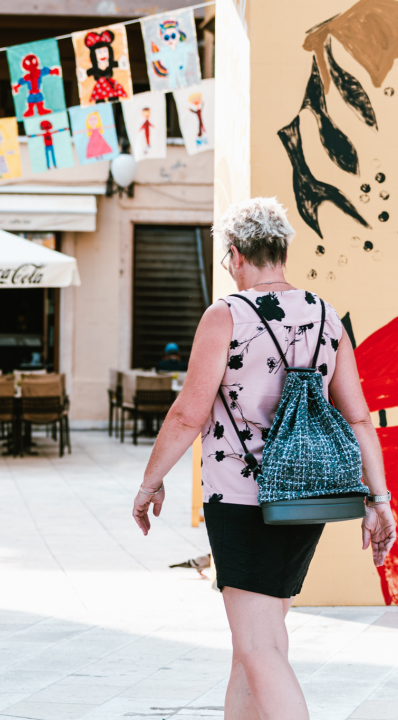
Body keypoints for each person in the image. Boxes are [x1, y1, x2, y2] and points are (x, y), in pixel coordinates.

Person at [132, 198, 395, 719]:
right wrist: (380, 499)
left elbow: (187, 414)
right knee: (256, 642)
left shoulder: (226, 314)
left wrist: (149, 484)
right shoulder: (325, 315)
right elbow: (360, 419)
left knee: (258, 647)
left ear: (235, 254)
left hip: (242, 500)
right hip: (307, 498)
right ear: (282, 251)